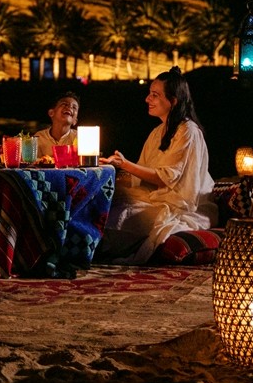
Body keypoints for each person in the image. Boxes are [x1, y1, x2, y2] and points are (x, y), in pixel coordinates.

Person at [96, 66, 214, 264]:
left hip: (178, 205)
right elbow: (140, 177)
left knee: (121, 218)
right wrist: (109, 174)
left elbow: (164, 177)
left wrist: (125, 164)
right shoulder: (157, 132)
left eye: (155, 95)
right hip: (153, 199)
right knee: (104, 207)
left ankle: (100, 253)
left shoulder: (188, 131)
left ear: (173, 101)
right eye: (149, 94)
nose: (147, 100)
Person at [34, 91, 80, 159]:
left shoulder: (80, 138)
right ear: (51, 113)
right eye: (64, 104)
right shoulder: (39, 138)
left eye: (74, 107)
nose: (69, 107)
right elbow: (33, 164)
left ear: (75, 121)